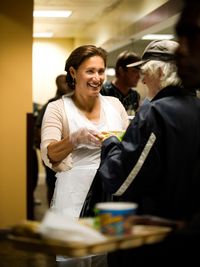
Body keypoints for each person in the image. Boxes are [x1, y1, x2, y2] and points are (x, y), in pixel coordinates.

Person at [92, 20, 200, 265]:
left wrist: (110, 142)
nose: (142, 80)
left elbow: (122, 180)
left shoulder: (155, 113)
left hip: (150, 236)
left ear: (160, 73)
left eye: (145, 73)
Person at [40, 45, 129, 267]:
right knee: (74, 261)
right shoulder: (57, 108)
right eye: (90, 71)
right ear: (73, 73)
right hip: (73, 198)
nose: (97, 78)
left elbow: (130, 147)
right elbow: (49, 153)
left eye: (101, 71)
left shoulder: (115, 105)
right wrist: (74, 139)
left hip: (110, 198)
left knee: (107, 259)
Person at [34, 74, 69, 206]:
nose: (66, 85)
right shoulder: (51, 104)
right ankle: (51, 214)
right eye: (63, 83)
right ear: (57, 85)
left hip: (71, 154)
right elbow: (38, 129)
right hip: (53, 153)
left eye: (67, 82)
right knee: (52, 186)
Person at [101, 50, 141, 116]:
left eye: (139, 72)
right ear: (121, 70)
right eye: (134, 71)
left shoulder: (135, 96)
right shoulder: (103, 91)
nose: (138, 76)